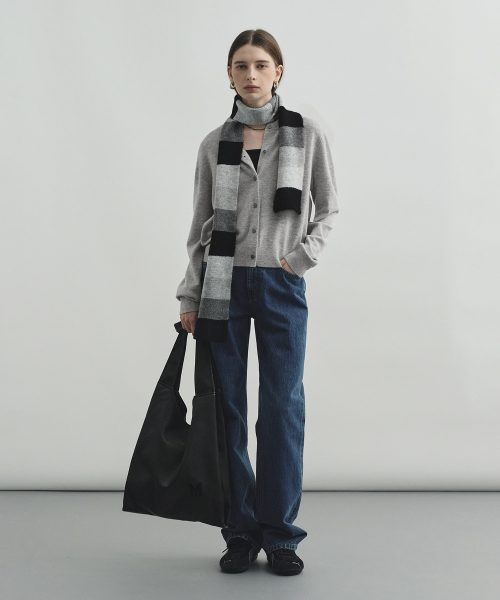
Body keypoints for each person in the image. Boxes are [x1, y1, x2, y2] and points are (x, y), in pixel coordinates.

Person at [175, 29, 339, 575]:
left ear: (278, 72)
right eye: (241, 65)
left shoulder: (306, 133)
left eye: (261, 64)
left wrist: (298, 259)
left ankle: (281, 535)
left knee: (282, 408)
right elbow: (200, 227)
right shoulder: (213, 143)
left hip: (280, 284)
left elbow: (328, 209)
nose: (251, 74)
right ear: (229, 74)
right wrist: (190, 294)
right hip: (221, 285)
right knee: (228, 410)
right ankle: (240, 532)